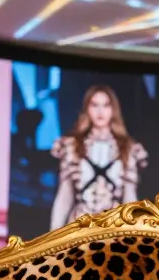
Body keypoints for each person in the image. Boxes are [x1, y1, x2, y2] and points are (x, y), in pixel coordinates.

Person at [49, 85, 147, 229]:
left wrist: (135, 235)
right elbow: (64, 195)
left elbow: (130, 197)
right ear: (87, 109)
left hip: (114, 230)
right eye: (94, 105)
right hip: (79, 227)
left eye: (106, 105)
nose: (100, 111)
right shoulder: (72, 146)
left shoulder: (128, 148)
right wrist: (52, 238)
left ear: (113, 110)